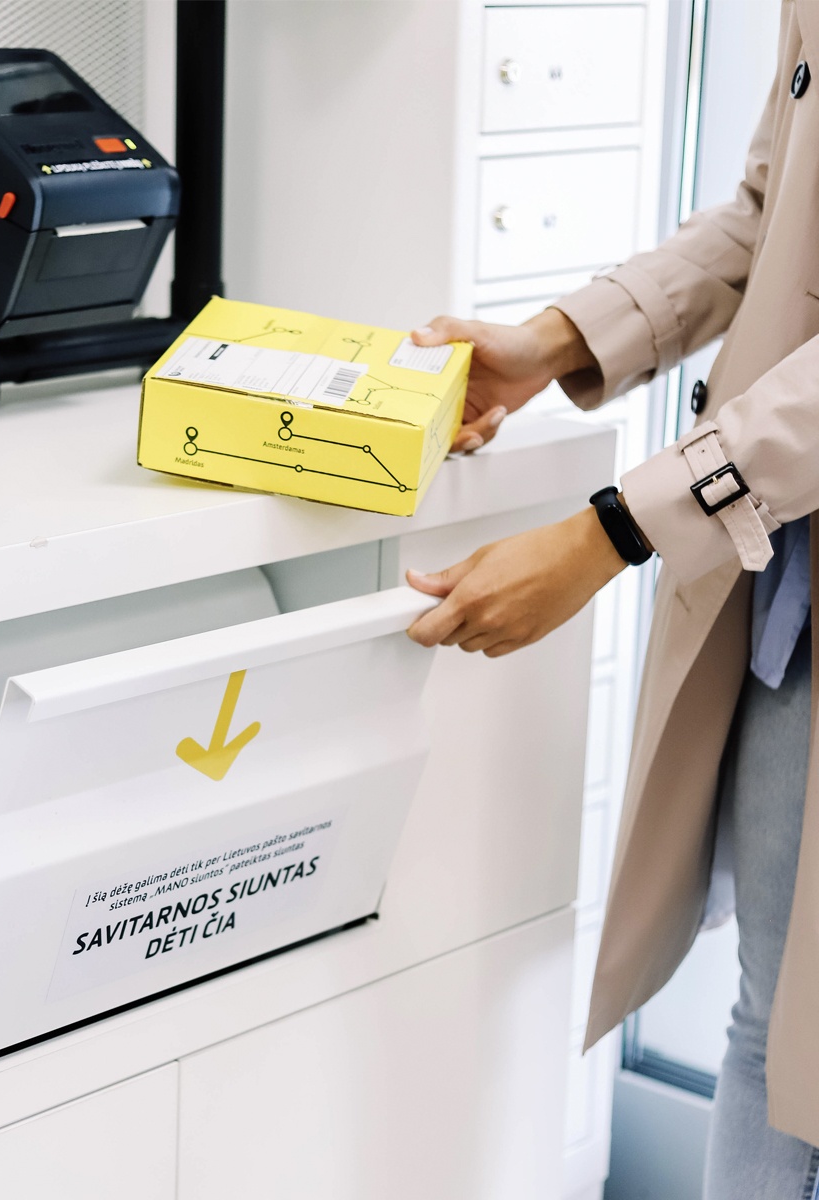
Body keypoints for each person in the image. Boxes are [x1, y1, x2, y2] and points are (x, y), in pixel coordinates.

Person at [405, 4, 818, 1197]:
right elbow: (771, 211)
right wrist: (557, 341)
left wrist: (614, 531)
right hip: (794, 571)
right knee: (778, 1028)